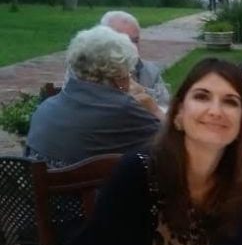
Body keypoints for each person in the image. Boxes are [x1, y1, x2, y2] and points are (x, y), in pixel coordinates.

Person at [63, 58, 242, 245]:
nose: (215, 111)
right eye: (202, 97)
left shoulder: (239, 181)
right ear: (178, 114)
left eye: (230, 102)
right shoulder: (139, 174)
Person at [26, 25, 162, 167]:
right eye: (128, 73)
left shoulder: (46, 107)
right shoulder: (123, 109)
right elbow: (171, 142)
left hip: (44, 180)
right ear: (119, 75)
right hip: (95, 181)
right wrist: (154, 110)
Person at [100, 10, 171, 106]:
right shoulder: (89, 73)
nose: (133, 47)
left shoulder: (149, 71)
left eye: (135, 40)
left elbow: (166, 106)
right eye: (124, 41)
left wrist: (144, 93)